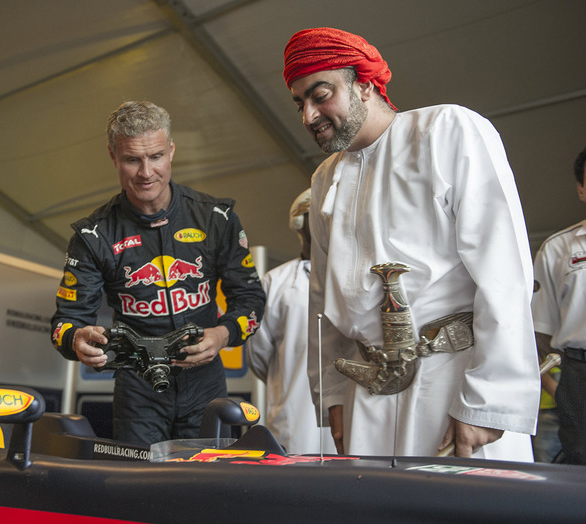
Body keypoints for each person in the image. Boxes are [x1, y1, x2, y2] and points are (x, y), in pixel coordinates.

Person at [283, 27, 539, 459]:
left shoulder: (447, 130)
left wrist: (488, 401)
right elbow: (324, 303)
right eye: (299, 103)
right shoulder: (325, 178)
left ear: (364, 84)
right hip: (368, 391)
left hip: (455, 382)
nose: (309, 116)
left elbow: (504, 272)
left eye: (320, 95)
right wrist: (334, 396)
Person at [50, 100, 266, 446]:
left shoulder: (216, 218)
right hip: (138, 393)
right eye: (132, 159)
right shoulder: (93, 235)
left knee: (211, 491)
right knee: (142, 494)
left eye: (156, 157)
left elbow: (251, 299)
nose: (146, 172)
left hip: (206, 386)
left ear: (171, 151)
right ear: (113, 157)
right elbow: (64, 323)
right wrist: (76, 340)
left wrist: (223, 336)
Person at [246, 188, 335, 454]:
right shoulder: (275, 282)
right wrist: (285, 376)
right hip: (294, 414)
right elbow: (258, 353)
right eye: (315, 215)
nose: (324, 221)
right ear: (300, 222)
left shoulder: (352, 278)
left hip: (348, 412)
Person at [531, 146, 586, 465]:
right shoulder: (558, 249)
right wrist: (559, 388)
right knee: (579, 461)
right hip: (579, 375)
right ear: (581, 188)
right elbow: (540, 331)